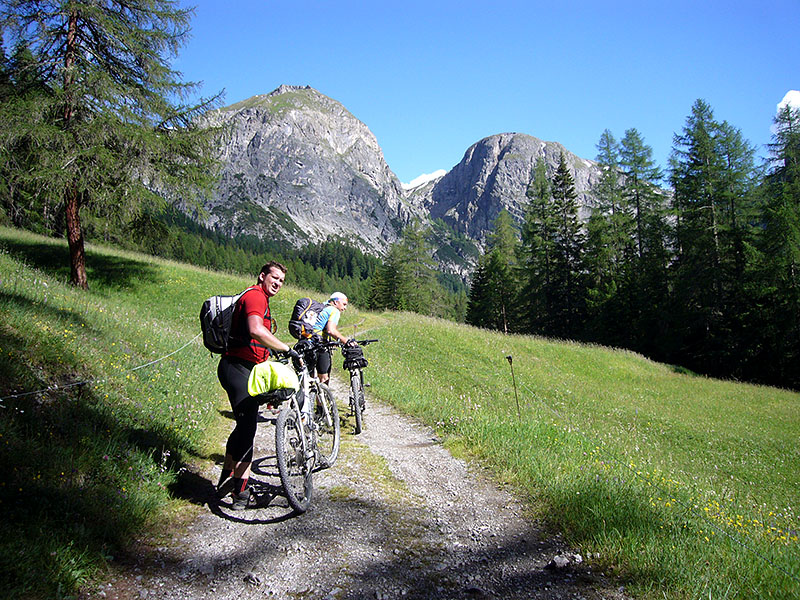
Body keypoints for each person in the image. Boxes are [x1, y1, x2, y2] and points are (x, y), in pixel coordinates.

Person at [215, 261, 299, 510]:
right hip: (237, 368)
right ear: (262, 276)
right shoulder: (255, 296)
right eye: (274, 277)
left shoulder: (259, 297)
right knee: (248, 428)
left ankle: (226, 479)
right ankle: (241, 492)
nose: (278, 283)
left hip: (241, 368)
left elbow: (256, 336)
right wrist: (285, 348)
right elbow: (255, 329)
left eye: (282, 281)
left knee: (243, 427)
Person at [312, 292, 355, 384]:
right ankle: (323, 398)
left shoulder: (321, 307)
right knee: (324, 379)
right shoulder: (334, 310)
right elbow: (331, 330)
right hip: (319, 345)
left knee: (308, 380)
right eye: (344, 304)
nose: (345, 308)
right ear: (335, 302)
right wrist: (346, 341)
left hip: (306, 343)